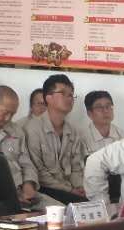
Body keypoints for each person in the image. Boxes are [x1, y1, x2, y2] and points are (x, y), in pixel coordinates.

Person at [22, 74, 90, 203]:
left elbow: (76, 167)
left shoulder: (74, 131)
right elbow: (38, 172)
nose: (69, 98)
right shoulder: (32, 129)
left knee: (94, 199)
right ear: (48, 98)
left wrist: (79, 187)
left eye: (71, 95)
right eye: (63, 93)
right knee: (80, 203)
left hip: (69, 189)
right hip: (44, 188)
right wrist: (69, 190)